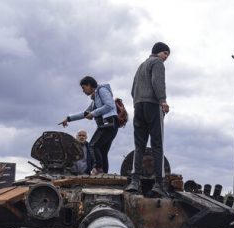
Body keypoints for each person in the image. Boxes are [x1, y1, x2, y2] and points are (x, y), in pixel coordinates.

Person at [125, 42, 171, 197]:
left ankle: (135, 181)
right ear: (158, 52)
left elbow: (133, 90)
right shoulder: (157, 63)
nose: (166, 58)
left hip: (138, 106)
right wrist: (162, 100)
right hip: (152, 105)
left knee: (139, 146)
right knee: (157, 145)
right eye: (165, 53)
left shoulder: (141, 66)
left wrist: (138, 102)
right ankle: (159, 183)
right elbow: (158, 82)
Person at [60, 76, 118, 174]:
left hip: (108, 123)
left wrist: (93, 114)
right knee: (103, 151)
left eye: (83, 87)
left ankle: (98, 169)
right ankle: (103, 173)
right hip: (109, 125)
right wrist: (68, 119)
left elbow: (110, 105)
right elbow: (85, 113)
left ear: (89, 85)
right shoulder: (95, 100)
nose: (83, 90)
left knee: (92, 145)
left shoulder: (102, 90)